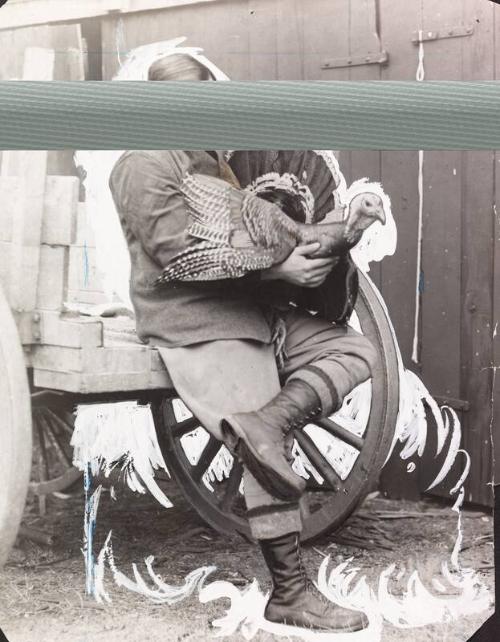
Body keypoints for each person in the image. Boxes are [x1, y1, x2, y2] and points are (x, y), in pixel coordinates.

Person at [109, 53, 377, 632]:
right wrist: (278, 275)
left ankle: (266, 425)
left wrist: (335, 233)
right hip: (196, 322)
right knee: (265, 452)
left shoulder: (211, 163)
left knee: (356, 351)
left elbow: (266, 236)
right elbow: (177, 257)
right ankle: (290, 593)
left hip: (248, 311)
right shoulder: (142, 164)